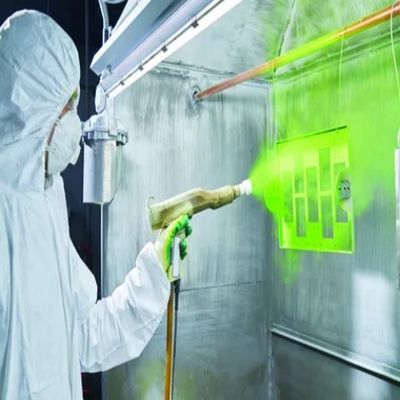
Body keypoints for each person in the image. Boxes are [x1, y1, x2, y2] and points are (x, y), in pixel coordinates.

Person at [0, 10, 191, 399]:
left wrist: (155, 269)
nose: (77, 119)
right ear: (31, 110)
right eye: (69, 105)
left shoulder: (47, 197)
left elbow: (84, 335)